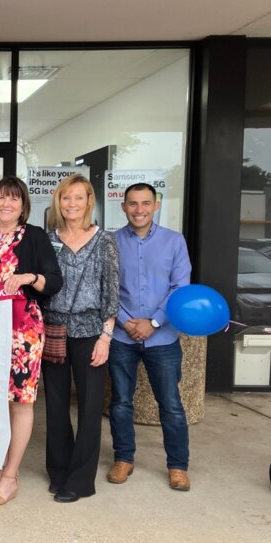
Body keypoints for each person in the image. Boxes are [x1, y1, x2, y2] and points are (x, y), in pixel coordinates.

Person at [0, 176, 63, 507]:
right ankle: (3, 465)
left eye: (13, 199)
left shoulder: (33, 236)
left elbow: (55, 280)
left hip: (22, 329)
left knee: (20, 400)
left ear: (23, 205)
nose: (5, 204)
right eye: (0, 198)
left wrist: (28, 277)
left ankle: (10, 476)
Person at [107, 182, 192, 491]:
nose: (139, 209)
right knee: (120, 403)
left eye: (145, 203)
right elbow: (108, 288)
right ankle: (124, 458)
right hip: (122, 336)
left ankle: (178, 466)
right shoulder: (112, 242)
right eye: (132, 203)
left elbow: (180, 287)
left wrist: (154, 322)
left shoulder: (174, 241)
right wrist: (129, 322)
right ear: (123, 206)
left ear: (156, 205)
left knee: (170, 404)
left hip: (163, 338)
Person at [41, 173, 119, 503]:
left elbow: (112, 292)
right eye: (65, 197)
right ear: (58, 202)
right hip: (53, 330)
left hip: (90, 332)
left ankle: (81, 479)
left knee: (89, 407)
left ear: (90, 201)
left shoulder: (105, 241)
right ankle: (59, 472)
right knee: (56, 405)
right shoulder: (47, 239)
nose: (71, 204)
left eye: (78, 197)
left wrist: (106, 336)